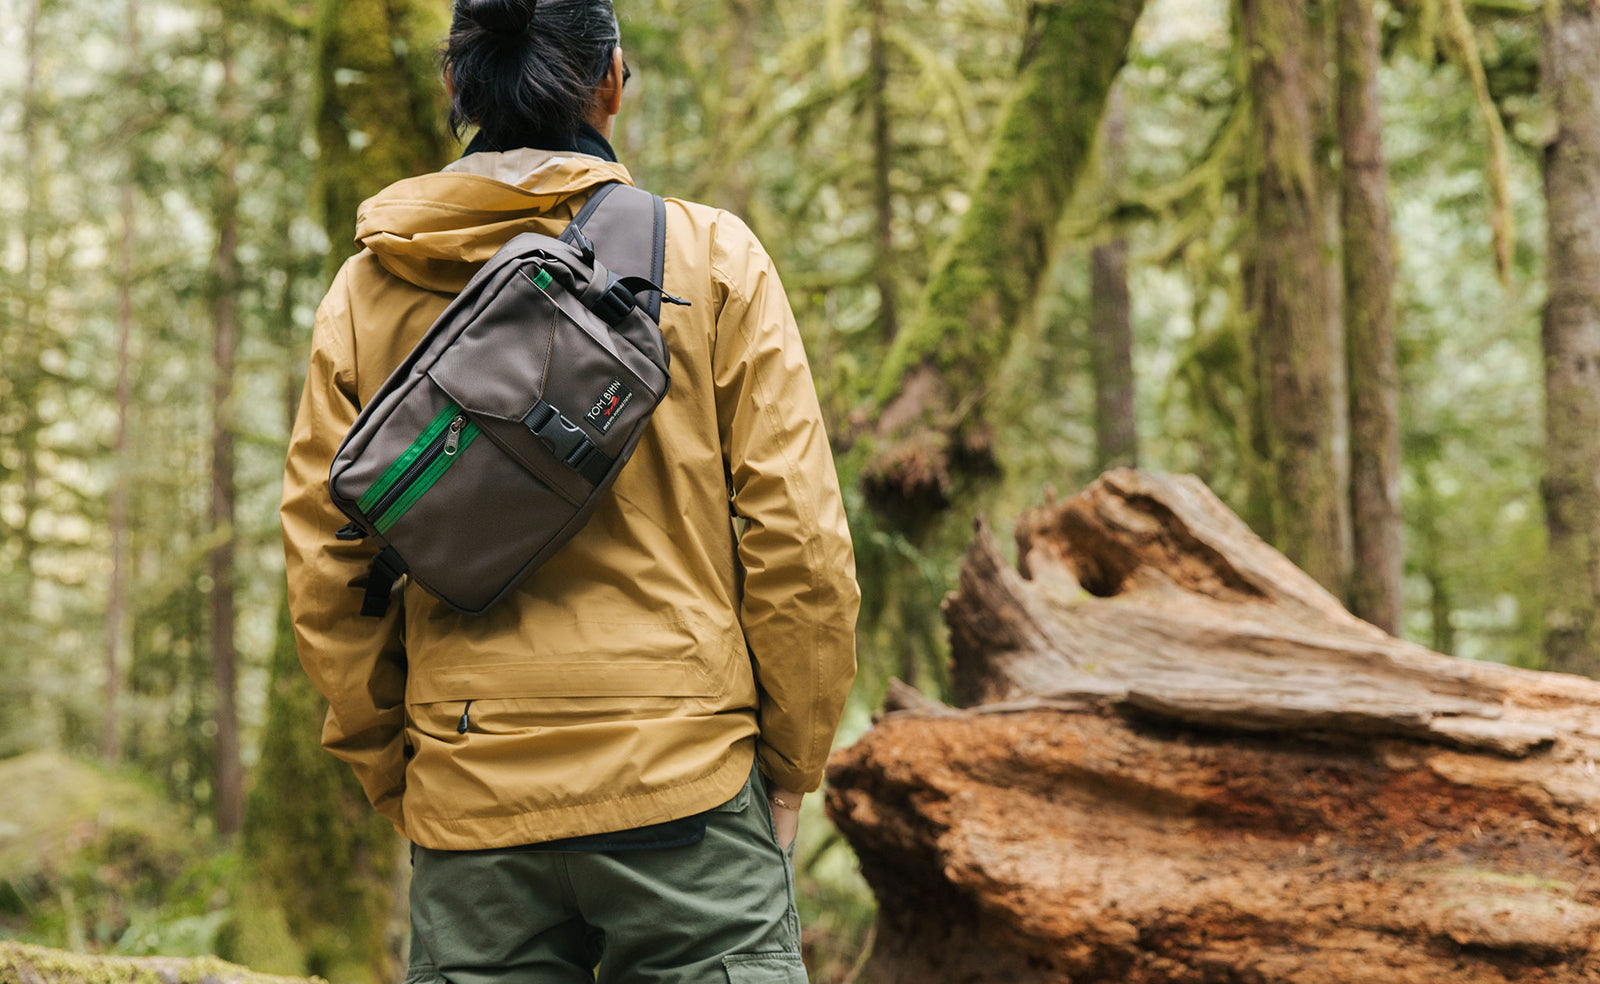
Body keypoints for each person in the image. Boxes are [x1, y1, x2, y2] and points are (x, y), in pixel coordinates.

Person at [278, 0, 860, 981]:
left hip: (473, 790)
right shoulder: (710, 262)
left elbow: (330, 575)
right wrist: (792, 767)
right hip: (686, 787)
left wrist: (404, 774)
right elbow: (799, 549)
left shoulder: (369, 291)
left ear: (455, 86)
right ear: (613, 81)